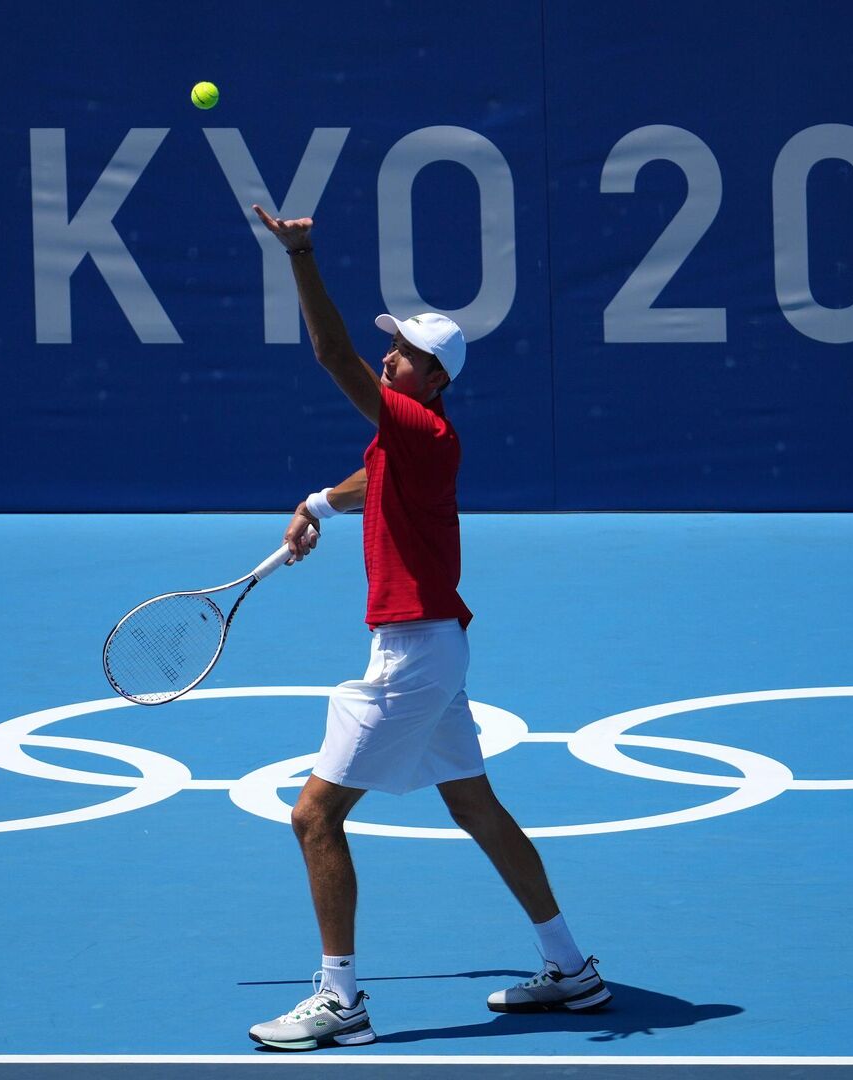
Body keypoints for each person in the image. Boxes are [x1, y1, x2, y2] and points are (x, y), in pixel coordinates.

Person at [245, 205, 610, 1052]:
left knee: (314, 817)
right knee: (476, 808)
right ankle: (574, 970)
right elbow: (366, 481)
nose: (387, 356)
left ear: (434, 377)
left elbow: (331, 354)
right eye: (392, 346)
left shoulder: (421, 426)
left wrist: (300, 256)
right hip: (430, 645)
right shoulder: (400, 442)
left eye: (403, 352)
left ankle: (341, 1000)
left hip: (413, 656)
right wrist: (310, 507)